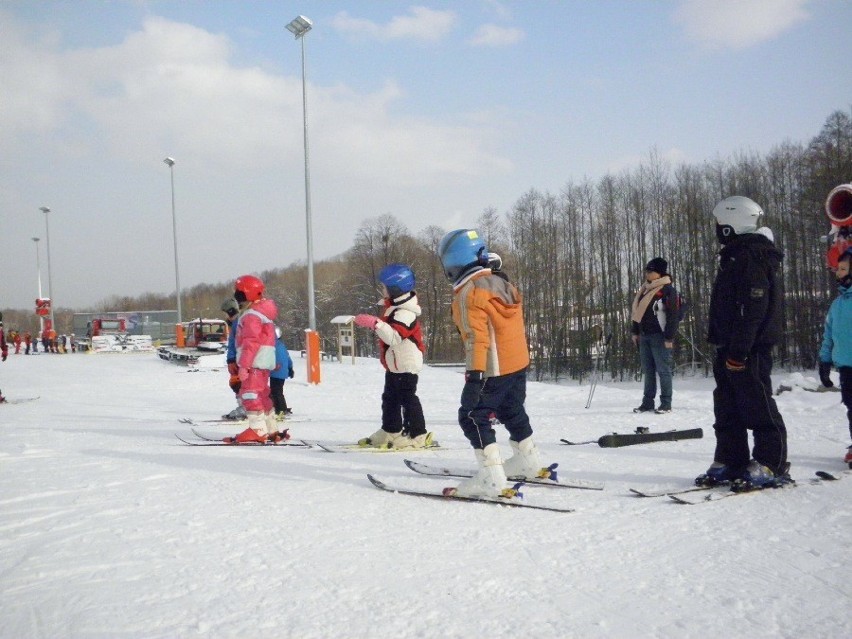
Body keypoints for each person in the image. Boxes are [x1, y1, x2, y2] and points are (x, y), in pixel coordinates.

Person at [437, 229, 544, 498]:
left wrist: (474, 375)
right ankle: (527, 459)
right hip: (517, 363)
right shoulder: (502, 283)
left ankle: (491, 476)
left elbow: (476, 338)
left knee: (472, 415)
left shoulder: (468, 293)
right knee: (511, 408)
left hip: (493, 367)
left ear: (454, 262)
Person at [696, 196, 789, 489]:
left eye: (719, 223)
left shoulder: (752, 256)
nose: (717, 228)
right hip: (729, 344)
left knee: (756, 403)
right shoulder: (735, 255)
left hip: (750, 348)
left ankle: (770, 463)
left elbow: (754, 308)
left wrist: (740, 349)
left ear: (731, 222)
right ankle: (731, 459)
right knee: (727, 405)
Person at [354, 263, 431, 449]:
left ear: (395, 288)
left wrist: (376, 324)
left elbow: (395, 337)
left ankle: (418, 434)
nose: (382, 290)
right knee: (390, 397)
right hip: (396, 365)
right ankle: (391, 429)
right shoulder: (394, 308)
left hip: (406, 364)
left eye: (385, 287)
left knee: (407, 397)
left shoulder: (406, 312)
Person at [230, 275, 280, 443]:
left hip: (254, 362)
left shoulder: (252, 315)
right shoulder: (263, 313)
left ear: (247, 293)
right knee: (262, 394)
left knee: (249, 394)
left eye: (239, 293)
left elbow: (251, 342)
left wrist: (244, 366)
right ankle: (271, 428)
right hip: (262, 363)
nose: (237, 297)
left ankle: (258, 430)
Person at [630, 257, 680, 414]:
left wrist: (669, 337)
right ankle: (647, 402)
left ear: (659, 273)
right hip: (644, 335)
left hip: (660, 336)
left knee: (663, 370)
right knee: (648, 370)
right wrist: (635, 331)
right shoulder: (644, 290)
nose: (647, 274)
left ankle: (666, 403)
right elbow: (637, 313)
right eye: (647, 271)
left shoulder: (667, 291)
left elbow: (673, 316)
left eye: (651, 271)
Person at [818, 246, 852, 466]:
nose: (838, 272)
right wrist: (824, 360)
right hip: (846, 366)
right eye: (838, 268)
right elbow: (828, 335)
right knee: (851, 406)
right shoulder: (837, 304)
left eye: (842, 268)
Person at [220, 297, 247, 421]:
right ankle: (244, 406)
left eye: (226, 313)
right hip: (237, 358)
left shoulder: (238, 323)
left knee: (238, 383)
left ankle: (245, 407)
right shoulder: (235, 323)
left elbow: (235, 344)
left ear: (230, 312)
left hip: (239, 359)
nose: (226, 317)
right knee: (237, 383)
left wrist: (232, 359)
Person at [270, 327, 294, 419]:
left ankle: (280, 409)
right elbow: (287, 357)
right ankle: (281, 407)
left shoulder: (272, 345)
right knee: (278, 391)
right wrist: (290, 368)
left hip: (276, 371)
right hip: (282, 372)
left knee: (276, 391)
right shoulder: (281, 345)